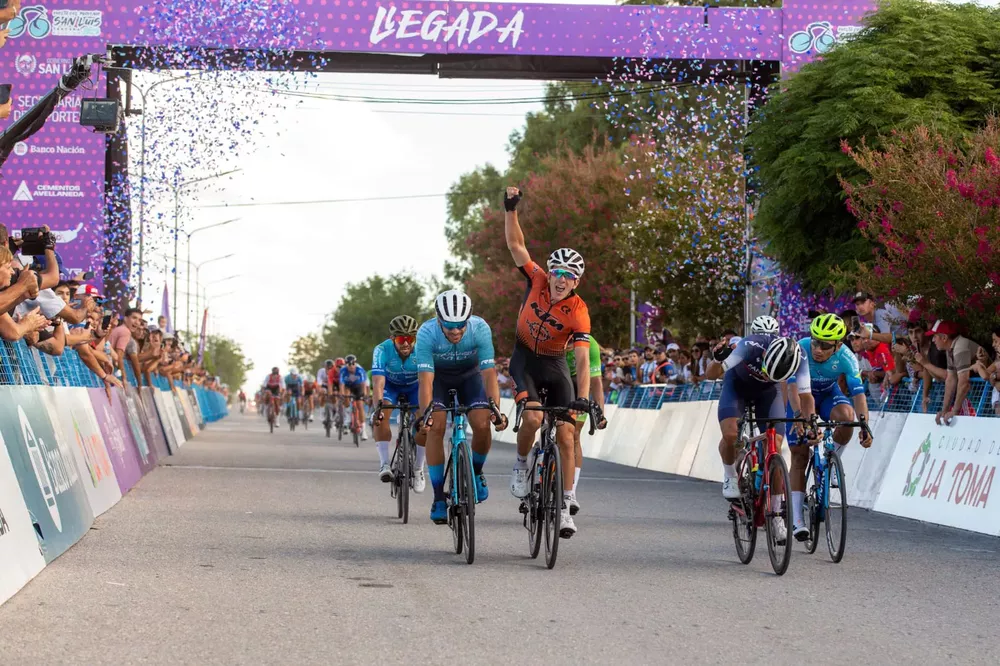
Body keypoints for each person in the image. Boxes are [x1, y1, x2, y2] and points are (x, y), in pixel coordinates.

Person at [502, 186, 598, 539]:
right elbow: (516, 247)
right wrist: (510, 210)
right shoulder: (536, 279)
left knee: (567, 434)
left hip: (556, 366)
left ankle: (567, 502)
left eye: (568, 276)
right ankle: (521, 464)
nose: (560, 279)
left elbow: (583, 360)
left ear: (576, 282)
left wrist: (583, 398)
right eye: (557, 271)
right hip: (525, 361)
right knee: (532, 416)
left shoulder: (578, 311)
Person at [414, 290, 507, 524]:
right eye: (449, 326)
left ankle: (475, 472)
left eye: (460, 326)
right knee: (435, 427)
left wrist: (495, 408)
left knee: (482, 423)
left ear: (469, 320)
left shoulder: (480, 328)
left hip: (470, 377)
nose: (455, 332)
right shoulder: (426, 333)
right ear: (438, 320)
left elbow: (488, 374)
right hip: (439, 380)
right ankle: (437, 497)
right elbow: (425, 380)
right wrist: (426, 414)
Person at [705, 333, 805, 544]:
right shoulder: (748, 347)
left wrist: (794, 417)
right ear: (766, 354)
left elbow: (801, 394)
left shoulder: (800, 358)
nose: (767, 374)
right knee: (731, 434)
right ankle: (730, 476)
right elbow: (710, 375)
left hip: (769, 393)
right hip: (737, 386)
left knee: (775, 447)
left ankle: (777, 516)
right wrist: (717, 359)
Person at [786, 314, 873, 542]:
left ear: (837, 345)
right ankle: (796, 519)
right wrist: (800, 417)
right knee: (799, 456)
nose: (818, 349)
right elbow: (794, 390)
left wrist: (865, 424)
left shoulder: (847, 357)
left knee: (847, 417)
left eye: (825, 345)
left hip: (827, 395)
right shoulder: (802, 349)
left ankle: (831, 456)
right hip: (800, 398)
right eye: (816, 341)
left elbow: (858, 394)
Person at [371, 315, 426, 492]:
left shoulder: (424, 349)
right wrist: (378, 407)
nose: (406, 343)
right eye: (401, 339)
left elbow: (427, 381)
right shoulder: (381, 350)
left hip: (414, 387)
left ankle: (418, 469)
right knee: (381, 416)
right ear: (392, 338)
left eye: (410, 338)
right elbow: (378, 382)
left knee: (425, 422)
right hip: (391, 387)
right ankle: (384, 464)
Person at [565, 334, 606, 515]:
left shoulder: (591, 345)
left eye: (572, 343)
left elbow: (596, 381)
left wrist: (600, 412)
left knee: (573, 435)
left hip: (576, 384)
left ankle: (571, 492)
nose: (568, 345)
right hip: (553, 377)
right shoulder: (551, 337)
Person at [339, 355, 369, 439]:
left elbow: (364, 384)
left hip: (358, 386)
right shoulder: (343, 370)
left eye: (353, 364)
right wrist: (342, 394)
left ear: (355, 364)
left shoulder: (360, 370)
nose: (351, 367)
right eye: (349, 365)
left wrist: (364, 395)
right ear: (346, 365)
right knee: (346, 399)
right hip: (348, 387)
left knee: (360, 405)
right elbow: (341, 384)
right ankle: (347, 420)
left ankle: (363, 430)